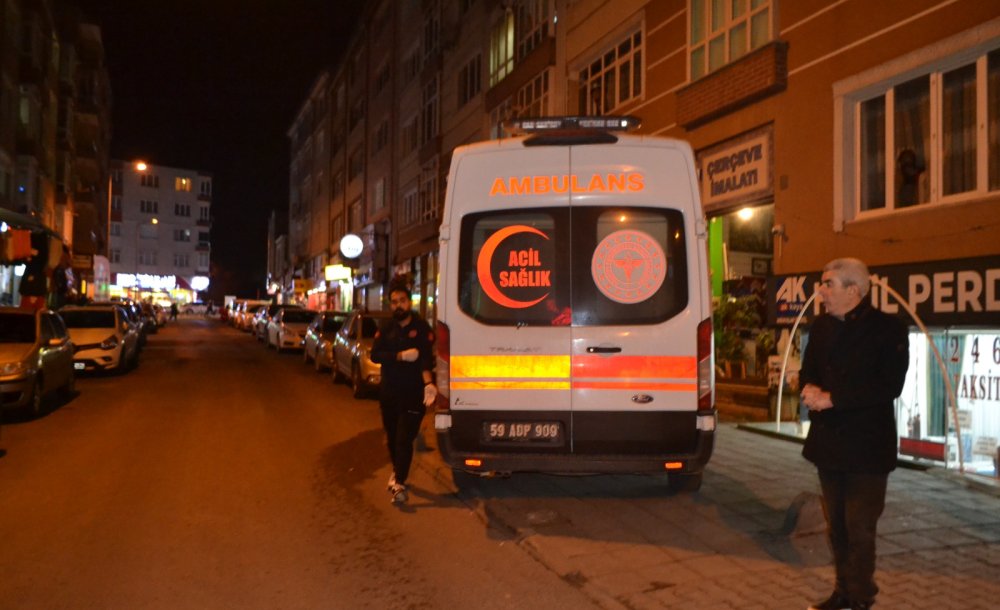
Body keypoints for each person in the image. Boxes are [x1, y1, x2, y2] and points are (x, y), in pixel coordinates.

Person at [800, 258, 909, 610]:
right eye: (822, 283)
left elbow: (888, 385)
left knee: (860, 527)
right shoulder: (821, 327)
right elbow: (808, 372)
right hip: (829, 445)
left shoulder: (888, 329)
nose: (821, 291)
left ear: (854, 291)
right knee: (838, 528)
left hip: (867, 448)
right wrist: (807, 391)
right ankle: (843, 591)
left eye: (828, 284)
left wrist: (834, 398)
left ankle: (862, 597)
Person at [370, 284, 436, 505]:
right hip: (389, 392)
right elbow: (376, 354)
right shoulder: (386, 327)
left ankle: (399, 482)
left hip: (413, 393)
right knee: (391, 436)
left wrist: (429, 384)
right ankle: (397, 471)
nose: (398, 305)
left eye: (402, 301)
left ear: (410, 302)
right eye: (394, 302)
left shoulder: (422, 327)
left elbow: (427, 358)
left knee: (404, 438)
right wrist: (398, 356)